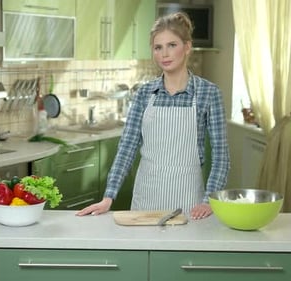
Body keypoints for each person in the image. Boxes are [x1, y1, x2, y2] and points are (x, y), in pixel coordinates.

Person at [76, 12, 230, 220]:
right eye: (158, 47)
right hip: (146, 201)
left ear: (187, 47)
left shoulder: (208, 93)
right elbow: (127, 148)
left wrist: (209, 200)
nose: (164, 54)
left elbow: (221, 157)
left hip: (190, 204)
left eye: (172, 45)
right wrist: (108, 197)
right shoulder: (144, 93)